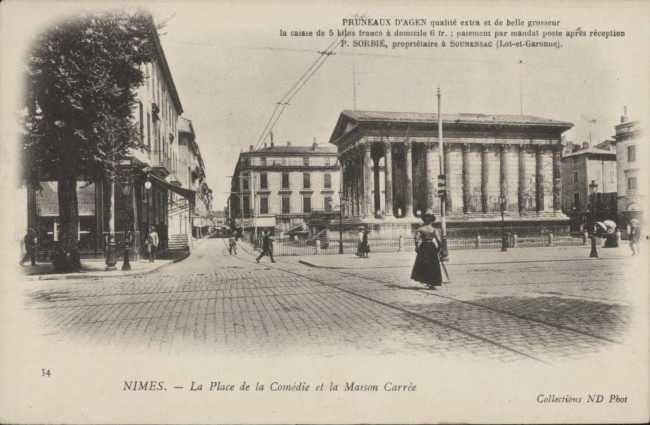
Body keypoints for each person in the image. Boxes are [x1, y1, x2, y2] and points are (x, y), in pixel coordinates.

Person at [411, 211, 443, 289]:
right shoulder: (434, 230)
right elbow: (438, 240)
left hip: (423, 247)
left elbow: (416, 239)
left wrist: (417, 247)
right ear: (431, 221)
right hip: (431, 247)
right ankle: (432, 282)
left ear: (425, 220)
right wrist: (439, 247)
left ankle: (425, 280)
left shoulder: (421, 229)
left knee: (423, 264)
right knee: (433, 265)